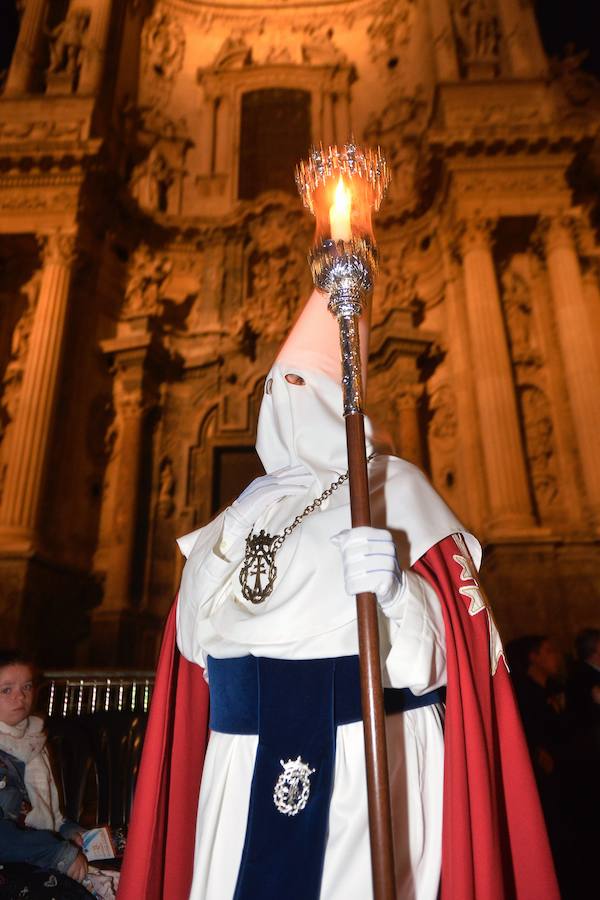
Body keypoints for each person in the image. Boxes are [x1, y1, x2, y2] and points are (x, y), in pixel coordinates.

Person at [120, 288, 559, 900]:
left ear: (338, 398)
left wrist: (397, 589)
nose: (283, 401)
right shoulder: (247, 507)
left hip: (366, 751)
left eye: (300, 383)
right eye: (276, 387)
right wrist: (218, 546)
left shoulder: (395, 489)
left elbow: (444, 657)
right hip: (241, 759)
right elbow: (195, 649)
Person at [0, 649, 90, 898]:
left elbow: (43, 814)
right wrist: (57, 852)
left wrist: (69, 832)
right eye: (6, 690)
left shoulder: (33, 742)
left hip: (31, 859)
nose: (20, 696)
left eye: (27, 686)